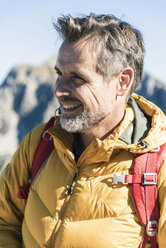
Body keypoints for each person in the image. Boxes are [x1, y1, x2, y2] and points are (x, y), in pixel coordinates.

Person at [0, 13, 166, 248]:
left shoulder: (159, 166)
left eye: (77, 78)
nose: (58, 90)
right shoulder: (41, 142)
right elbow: (4, 222)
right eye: (59, 73)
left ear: (122, 82)